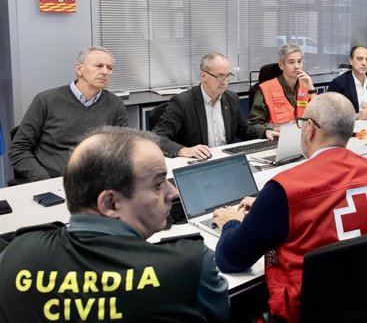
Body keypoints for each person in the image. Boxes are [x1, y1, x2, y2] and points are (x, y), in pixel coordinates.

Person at [0, 127, 229, 323]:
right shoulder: (190, 265)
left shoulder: (15, 254)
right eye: (159, 184)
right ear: (109, 202)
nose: (173, 192)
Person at [213, 93, 367, 323]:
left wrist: (232, 222)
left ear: (309, 128)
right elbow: (334, 208)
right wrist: (266, 207)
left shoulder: (285, 189)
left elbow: (231, 259)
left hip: (306, 311)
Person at [8, 46, 128, 181]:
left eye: (109, 68)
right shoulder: (46, 100)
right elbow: (18, 149)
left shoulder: (116, 104)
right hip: (53, 181)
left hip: (96, 183)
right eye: (99, 66)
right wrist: (43, 180)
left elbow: (122, 151)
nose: (105, 72)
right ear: (79, 69)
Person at [154, 52, 274, 159]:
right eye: (220, 76)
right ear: (203, 76)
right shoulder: (183, 102)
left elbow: (244, 129)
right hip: (197, 163)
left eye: (228, 76)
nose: (225, 81)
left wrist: (265, 132)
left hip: (225, 159)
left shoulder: (231, 98)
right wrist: (183, 150)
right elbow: (157, 137)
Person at [248, 43, 318, 128]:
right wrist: (267, 131)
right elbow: (254, 124)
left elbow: (318, 116)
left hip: (304, 137)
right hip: (276, 138)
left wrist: (312, 89)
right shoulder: (266, 89)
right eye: (291, 62)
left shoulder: (307, 85)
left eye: (299, 61)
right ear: (281, 65)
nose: (297, 66)